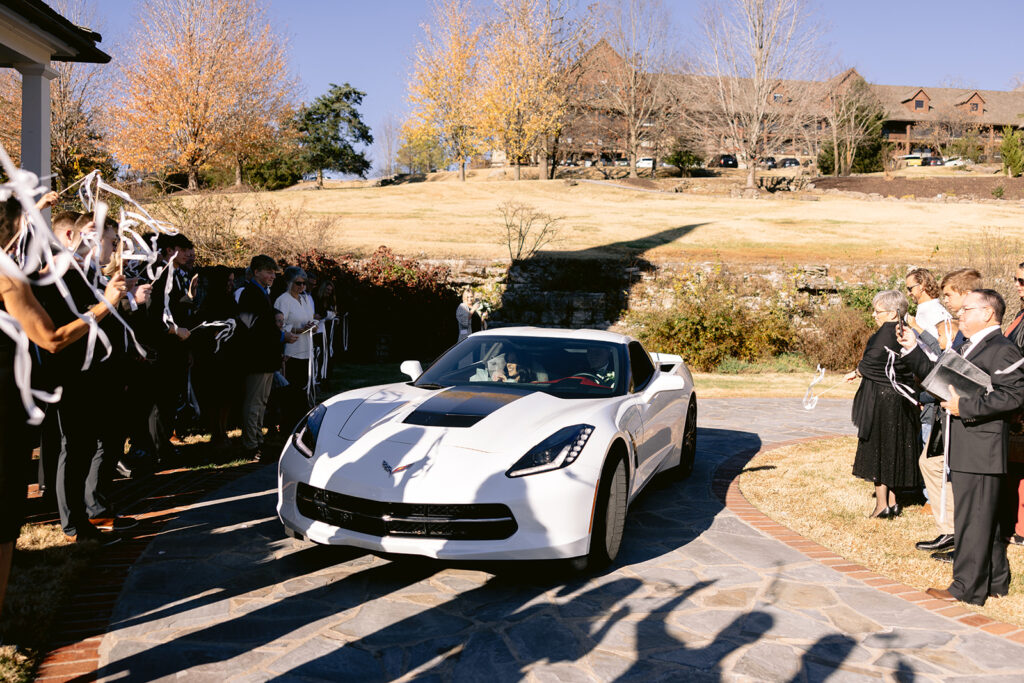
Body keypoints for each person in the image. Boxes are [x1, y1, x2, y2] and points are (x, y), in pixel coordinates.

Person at [0, 194, 126, 619]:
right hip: (12, 394)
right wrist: (105, 305)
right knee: (6, 505)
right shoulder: (11, 277)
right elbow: (52, 339)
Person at [898, 289, 1024, 606]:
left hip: (982, 449)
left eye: (966, 309)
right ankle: (996, 582)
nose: (959, 315)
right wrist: (912, 348)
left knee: (972, 521)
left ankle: (966, 588)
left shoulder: (1002, 349)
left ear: (988, 313)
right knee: (985, 519)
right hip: (968, 447)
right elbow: (939, 378)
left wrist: (964, 406)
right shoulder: (970, 345)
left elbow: (1014, 396)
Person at [916, 268, 983, 556]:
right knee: (930, 463)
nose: (945, 301)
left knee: (945, 470)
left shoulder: (970, 331)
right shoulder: (960, 329)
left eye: (949, 295)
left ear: (966, 294)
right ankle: (949, 530)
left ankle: (956, 532)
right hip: (947, 411)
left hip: (966, 413)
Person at [844, 290, 922, 518]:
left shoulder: (886, 332)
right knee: (894, 447)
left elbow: (872, 362)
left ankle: (881, 506)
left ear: (892, 313)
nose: (873, 315)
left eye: (877, 311)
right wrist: (858, 371)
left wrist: (858, 371)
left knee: (879, 448)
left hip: (883, 400)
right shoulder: (904, 331)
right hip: (900, 399)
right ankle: (894, 502)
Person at [238, 255, 296, 459]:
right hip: (256, 358)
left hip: (266, 358)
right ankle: (250, 445)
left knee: (261, 402)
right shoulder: (250, 294)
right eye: (269, 272)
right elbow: (255, 328)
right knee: (253, 403)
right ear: (256, 272)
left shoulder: (262, 292)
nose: (273, 276)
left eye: (274, 272)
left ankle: (257, 440)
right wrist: (281, 336)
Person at [275, 266, 318, 429]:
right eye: (298, 283)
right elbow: (280, 326)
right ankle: (288, 426)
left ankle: (301, 424)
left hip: (307, 350)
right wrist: (299, 330)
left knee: (303, 391)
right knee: (291, 392)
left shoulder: (306, 299)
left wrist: (313, 326)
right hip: (291, 352)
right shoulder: (283, 300)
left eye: (304, 283)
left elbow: (311, 319)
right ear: (289, 282)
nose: (302, 287)